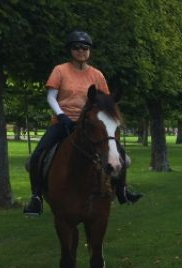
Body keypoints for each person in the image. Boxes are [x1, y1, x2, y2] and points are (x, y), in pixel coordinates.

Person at [23, 31, 142, 216]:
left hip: (91, 123)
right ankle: (36, 197)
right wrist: (61, 115)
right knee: (37, 156)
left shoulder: (97, 75)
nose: (81, 51)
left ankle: (122, 190)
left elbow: (105, 100)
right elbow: (51, 97)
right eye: (77, 48)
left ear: (89, 51)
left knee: (120, 155)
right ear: (71, 50)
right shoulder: (60, 70)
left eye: (85, 48)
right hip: (64, 122)